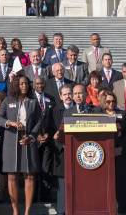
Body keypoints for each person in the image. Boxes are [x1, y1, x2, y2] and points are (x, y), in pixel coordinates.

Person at [0, 76, 42, 215]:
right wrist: (10, 123)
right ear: (16, 84)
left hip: (28, 140)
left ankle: (27, 211)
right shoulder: (8, 100)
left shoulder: (33, 102)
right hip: (10, 141)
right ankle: (15, 211)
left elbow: (39, 121)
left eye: (26, 83)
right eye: (21, 83)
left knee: (29, 175)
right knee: (12, 176)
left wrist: (32, 136)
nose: (24, 86)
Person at [102, 91, 126, 215]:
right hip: (104, 156)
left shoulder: (122, 114)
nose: (111, 104)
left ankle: (122, 210)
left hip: (119, 154)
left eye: (113, 101)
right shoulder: (99, 115)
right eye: (108, 101)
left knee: (120, 185)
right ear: (104, 102)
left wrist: (121, 148)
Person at [31, 77, 56, 202]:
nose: (40, 86)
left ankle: (46, 197)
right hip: (33, 141)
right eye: (37, 83)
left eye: (41, 83)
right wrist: (36, 136)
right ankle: (34, 198)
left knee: (46, 169)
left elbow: (53, 120)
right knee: (35, 169)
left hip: (47, 140)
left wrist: (48, 134)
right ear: (33, 85)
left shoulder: (50, 98)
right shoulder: (29, 99)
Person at [51, 84, 73, 215]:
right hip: (61, 152)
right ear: (60, 96)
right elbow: (52, 131)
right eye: (64, 94)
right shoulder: (55, 110)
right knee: (62, 184)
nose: (68, 96)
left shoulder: (79, 109)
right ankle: (61, 211)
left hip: (77, 151)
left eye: (69, 93)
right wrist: (62, 145)